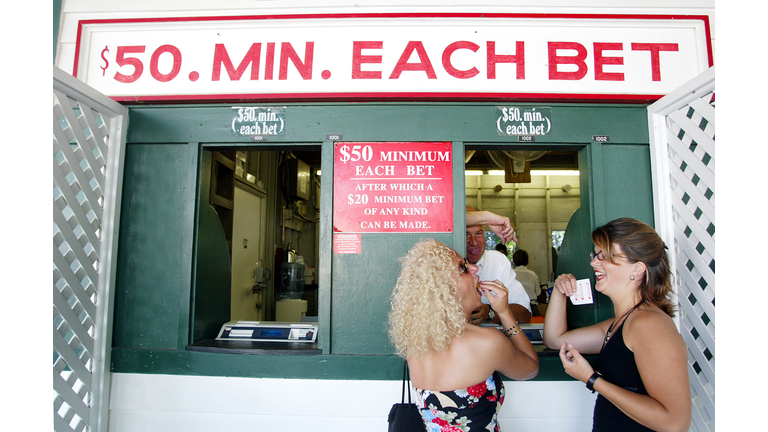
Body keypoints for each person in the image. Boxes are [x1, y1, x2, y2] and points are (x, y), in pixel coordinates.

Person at [543, 218, 691, 432]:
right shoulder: (621, 323)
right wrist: (559, 290)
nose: (594, 263)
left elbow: (675, 423)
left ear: (638, 268)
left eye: (605, 256)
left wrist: (592, 379)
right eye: (595, 255)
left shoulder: (649, 324)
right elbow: (555, 339)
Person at [389, 239, 539, 431]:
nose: (475, 269)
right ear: (445, 287)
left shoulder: (416, 342)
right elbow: (531, 369)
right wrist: (504, 313)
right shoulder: (485, 342)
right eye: (464, 268)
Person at [466, 207, 532, 324]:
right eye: (466, 234)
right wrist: (487, 218)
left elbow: (524, 313)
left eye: (479, 233)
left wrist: (489, 312)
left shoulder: (498, 261)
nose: (474, 242)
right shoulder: (441, 262)